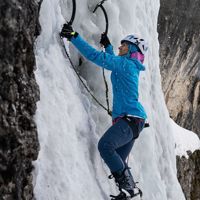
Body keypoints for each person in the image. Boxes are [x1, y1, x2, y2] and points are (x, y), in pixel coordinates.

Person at [60, 23, 148, 197]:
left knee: (106, 146)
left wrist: (73, 36)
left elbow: (96, 57)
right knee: (118, 159)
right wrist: (107, 46)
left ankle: (129, 188)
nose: (120, 46)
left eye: (123, 45)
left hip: (130, 119)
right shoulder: (128, 65)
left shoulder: (125, 64)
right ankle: (132, 190)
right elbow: (113, 62)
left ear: (131, 49)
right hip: (134, 121)